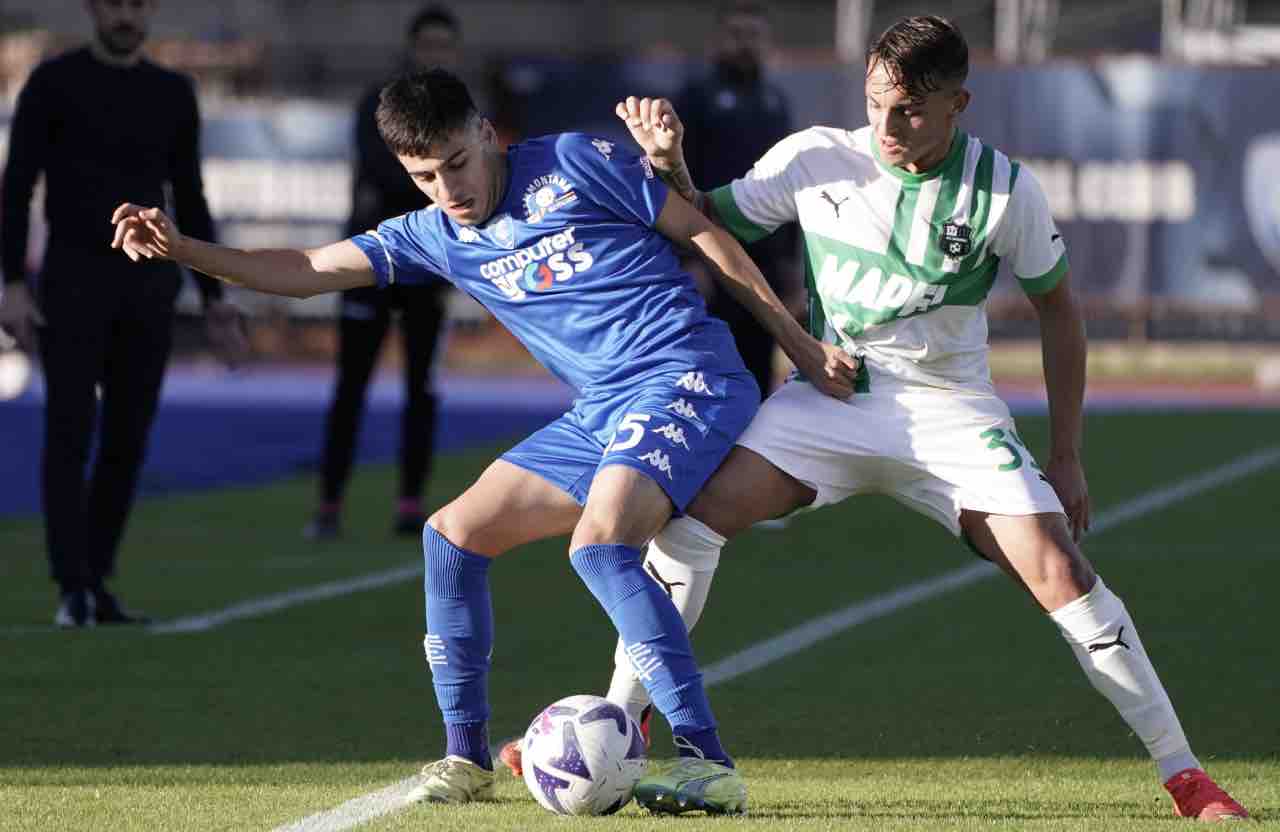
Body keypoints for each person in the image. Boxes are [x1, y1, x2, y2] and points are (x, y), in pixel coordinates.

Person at [507, 15, 1250, 822]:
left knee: (1061, 573)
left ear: (958, 103)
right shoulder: (815, 155)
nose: (888, 127)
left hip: (949, 413)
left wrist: (1065, 454)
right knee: (692, 518)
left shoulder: (1007, 190)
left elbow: (1059, 313)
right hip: (828, 399)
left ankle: (1186, 776)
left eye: (911, 111)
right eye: (876, 104)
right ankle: (621, 724)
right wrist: (670, 163)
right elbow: (708, 222)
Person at [110, 68, 859, 812]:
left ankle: (708, 760)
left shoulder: (573, 161)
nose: (448, 191)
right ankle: (465, 757)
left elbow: (704, 232)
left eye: (456, 165)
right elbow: (304, 269)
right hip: (602, 409)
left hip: (687, 374)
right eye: (424, 176)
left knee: (600, 548)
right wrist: (183, 250)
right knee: (451, 535)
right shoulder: (434, 234)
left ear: (484, 132)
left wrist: (794, 342)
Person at [0, 0, 247, 629]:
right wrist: (10, 283)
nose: (125, 15)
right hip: (70, 283)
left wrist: (215, 294)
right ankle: (71, 586)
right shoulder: (54, 82)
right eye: (114, 3)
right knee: (69, 429)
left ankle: (97, 576)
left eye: (136, 4)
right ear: (93, 9)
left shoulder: (172, 93)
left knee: (128, 438)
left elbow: (189, 195)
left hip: (149, 289)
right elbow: (17, 185)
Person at [306, 5, 462, 542]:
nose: (435, 56)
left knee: (422, 390)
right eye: (429, 45)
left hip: (427, 272)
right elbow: (384, 174)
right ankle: (329, 504)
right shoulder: (381, 105)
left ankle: (410, 504)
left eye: (445, 46)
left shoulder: (459, 114)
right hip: (370, 265)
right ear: (412, 48)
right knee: (351, 387)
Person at [673, 1, 796, 398]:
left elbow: (791, 182)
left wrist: (791, 260)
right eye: (737, 35)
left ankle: (753, 454)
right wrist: (689, 257)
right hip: (713, 256)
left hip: (766, 260)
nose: (746, 45)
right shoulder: (695, 98)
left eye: (754, 36)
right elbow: (676, 180)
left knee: (759, 368)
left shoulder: (775, 100)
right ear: (719, 41)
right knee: (712, 368)